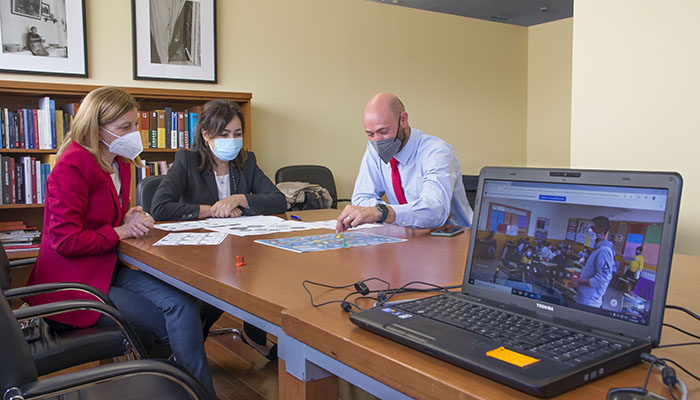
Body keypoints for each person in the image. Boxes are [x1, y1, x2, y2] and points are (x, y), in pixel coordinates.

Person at [24, 87, 217, 396]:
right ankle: (180, 390)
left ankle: (188, 391)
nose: (133, 133)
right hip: (74, 281)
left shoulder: (122, 162)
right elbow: (65, 240)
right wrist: (121, 231)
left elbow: (101, 218)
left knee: (182, 306)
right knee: (166, 322)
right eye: (124, 127)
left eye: (135, 125)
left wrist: (127, 217)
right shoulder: (72, 165)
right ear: (96, 128)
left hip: (107, 267)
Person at [151, 99, 286, 360]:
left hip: (240, 246)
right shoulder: (187, 161)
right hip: (199, 252)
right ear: (206, 134)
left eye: (237, 134)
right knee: (217, 289)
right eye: (223, 134)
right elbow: (160, 207)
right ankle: (185, 354)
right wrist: (211, 209)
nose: (231, 141)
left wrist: (240, 199)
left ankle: (254, 334)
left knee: (264, 275)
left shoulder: (246, 161)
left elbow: (278, 200)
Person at [336, 92, 473, 233]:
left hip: (455, 236)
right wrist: (384, 212)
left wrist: (382, 212)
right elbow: (361, 198)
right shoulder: (373, 149)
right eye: (370, 134)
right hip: (411, 237)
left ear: (403, 120)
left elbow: (434, 211)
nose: (377, 141)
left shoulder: (437, 152)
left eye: (383, 131)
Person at [570, 216, 615, 308]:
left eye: (593, 228)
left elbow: (602, 279)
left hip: (590, 300)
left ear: (601, 230)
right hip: (583, 296)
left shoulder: (604, 250)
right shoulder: (597, 248)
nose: (590, 231)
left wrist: (580, 281)